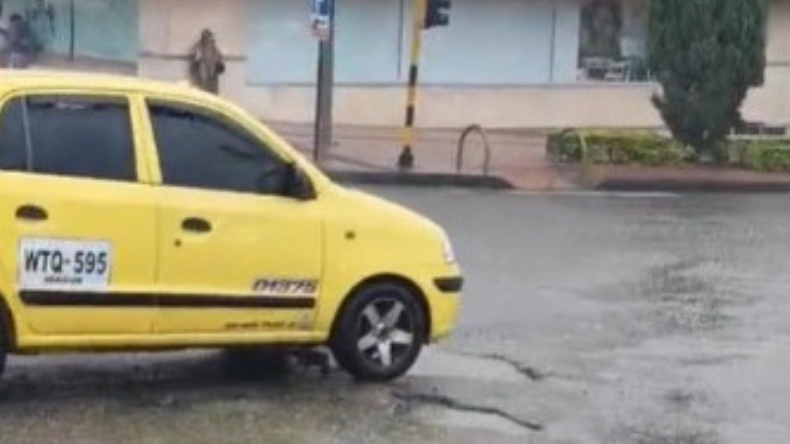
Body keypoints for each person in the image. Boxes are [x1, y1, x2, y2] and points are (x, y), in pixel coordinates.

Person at [190, 29, 225, 94]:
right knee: (203, 92)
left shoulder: (214, 48)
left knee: (213, 92)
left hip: (213, 75)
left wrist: (220, 63)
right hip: (203, 75)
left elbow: (220, 58)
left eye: (211, 38)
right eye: (210, 37)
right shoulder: (198, 47)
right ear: (204, 38)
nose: (211, 40)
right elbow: (196, 60)